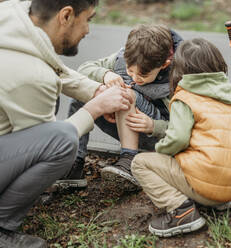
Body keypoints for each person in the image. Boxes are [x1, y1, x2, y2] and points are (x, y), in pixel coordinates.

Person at [0, 0, 133, 247]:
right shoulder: (32, 76)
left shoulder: (13, 13)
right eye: (89, 19)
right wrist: (96, 108)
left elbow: (52, 68)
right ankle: (2, 227)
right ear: (66, 16)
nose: (88, 31)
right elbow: (47, 138)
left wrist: (97, 90)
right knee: (62, 141)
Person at [131, 38, 231, 237]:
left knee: (140, 163)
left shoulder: (186, 98)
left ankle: (181, 212)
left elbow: (178, 139)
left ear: (180, 70)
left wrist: (162, 153)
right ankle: (220, 201)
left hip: (209, 185)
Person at [56, 24, 183, 191]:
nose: (135, 78)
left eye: (143, 75)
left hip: (157, 136)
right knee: (87, 92)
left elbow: (184, 129)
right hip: (125, 124)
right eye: (130, 71)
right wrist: (105, 74)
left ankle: (128, 161)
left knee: (124, 94)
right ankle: (75, 163)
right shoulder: (124, 57)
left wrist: (154, 126)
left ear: (165, 64)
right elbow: (84, 69)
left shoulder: (179, 78)